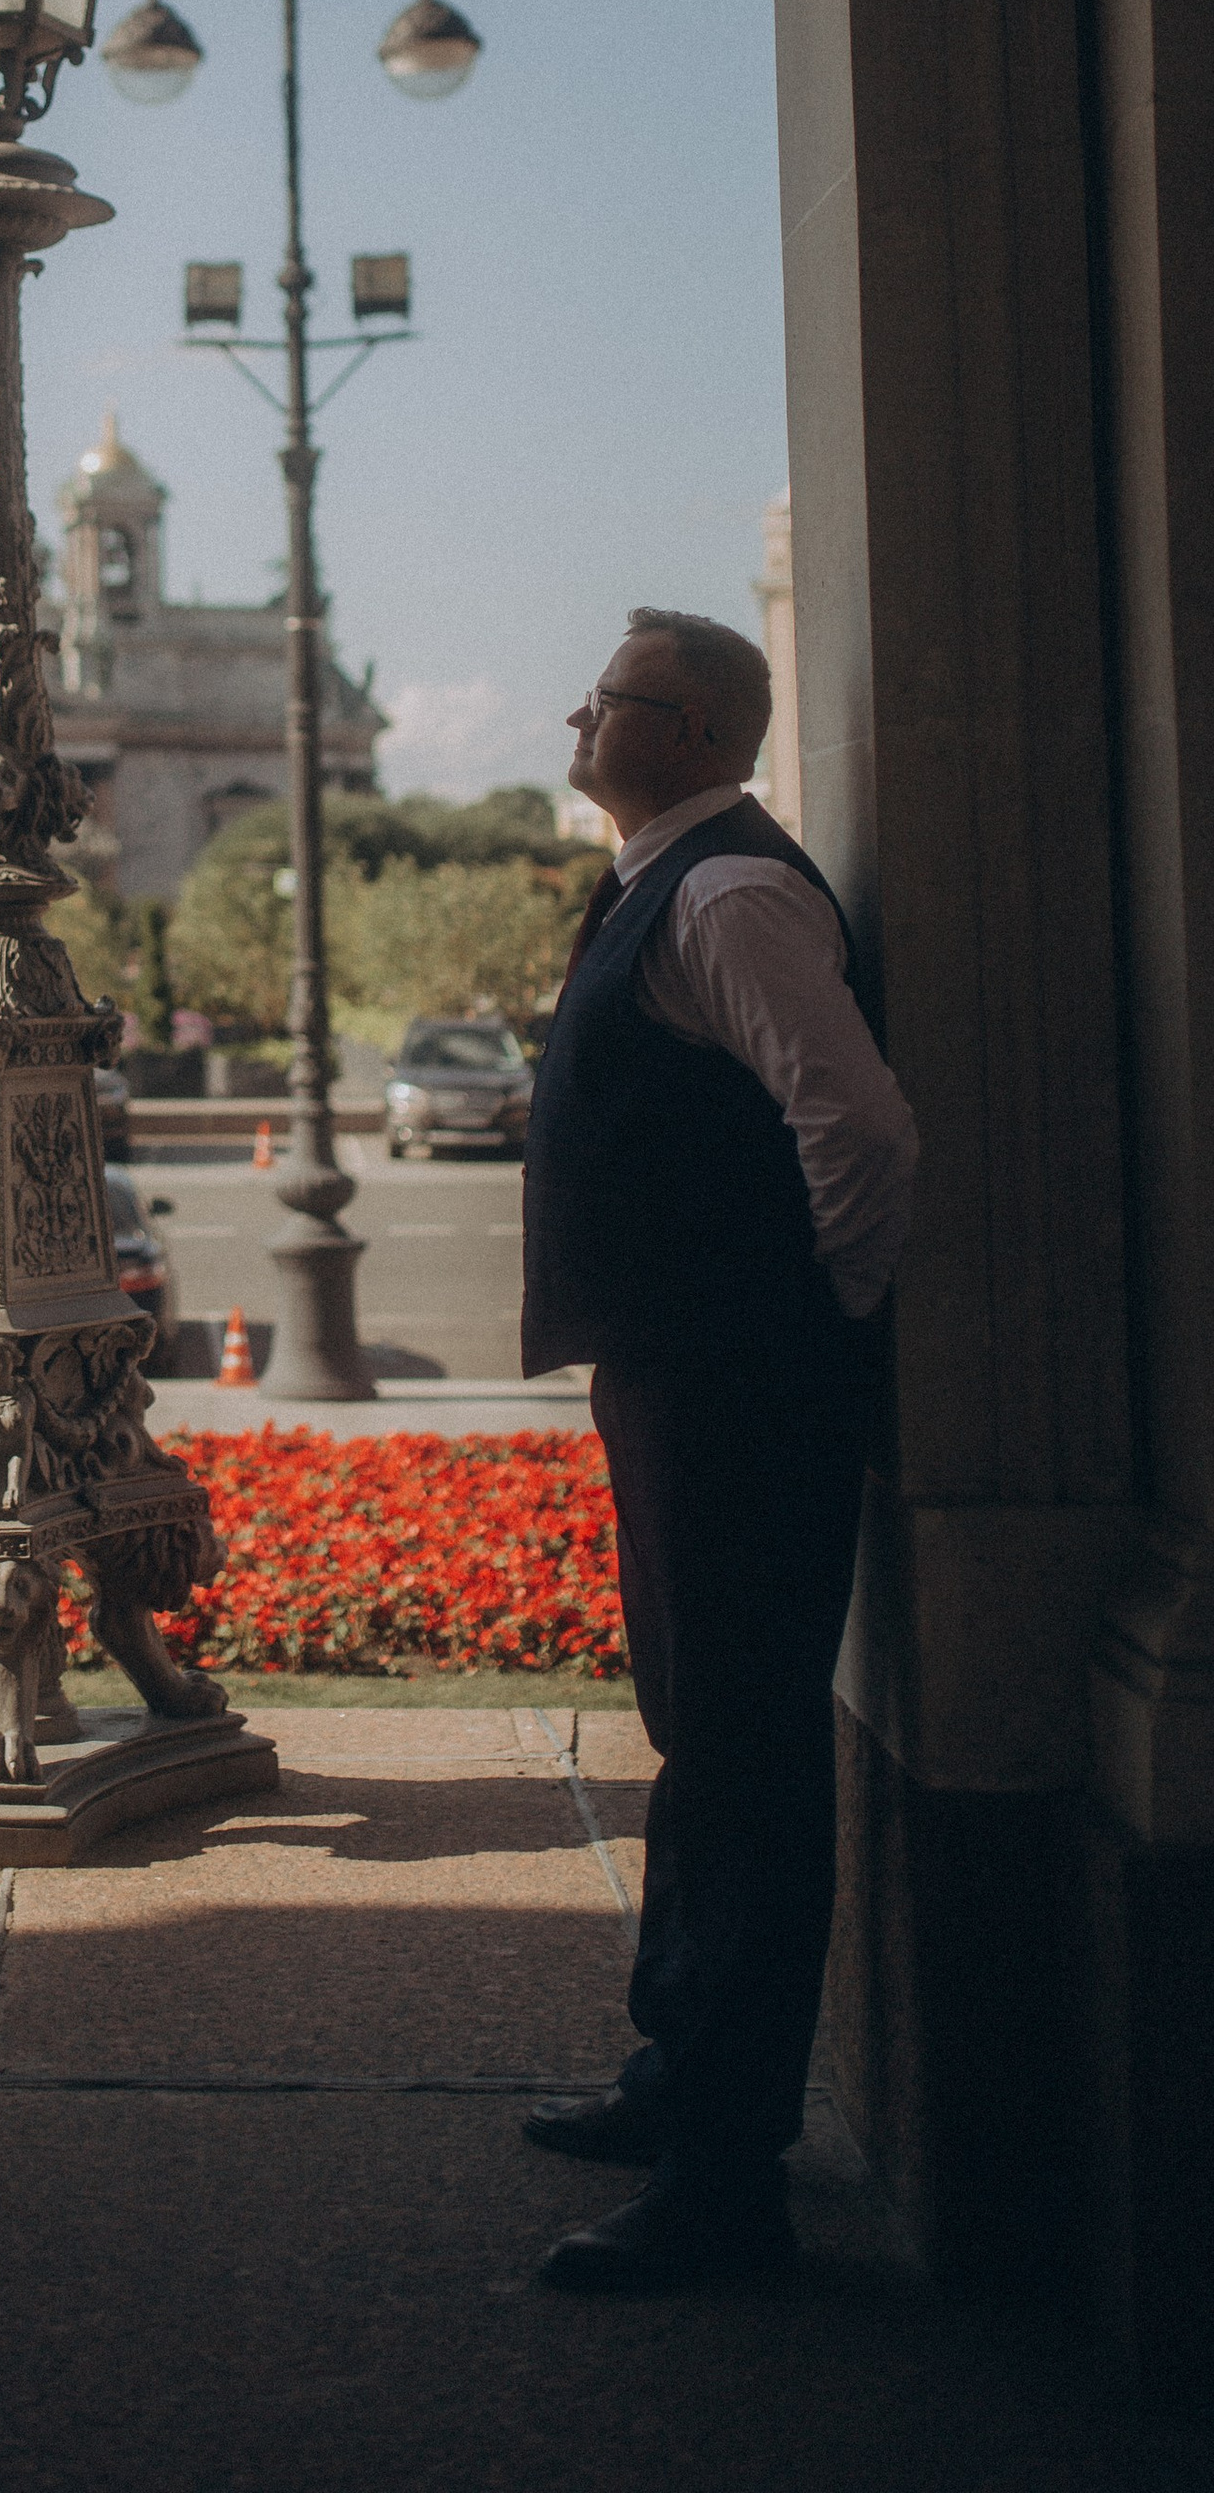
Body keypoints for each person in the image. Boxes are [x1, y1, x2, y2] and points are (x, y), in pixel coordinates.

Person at [517, 606, 915, 2293]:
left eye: (604, 700)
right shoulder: (669, 878)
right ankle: (678, 2071)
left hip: (741, 1379)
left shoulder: (733, 894)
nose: (575, 716)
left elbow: (861, 1131)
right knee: (703, 1729)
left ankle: (724, 2178)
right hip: (691, 1372)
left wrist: (807, 1320)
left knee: (746, 1755)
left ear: (683, 733)